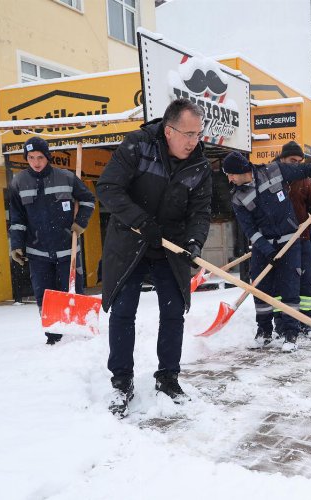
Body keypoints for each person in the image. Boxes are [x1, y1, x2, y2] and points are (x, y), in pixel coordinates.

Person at [96, 98, 212, 416]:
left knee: (173, 313)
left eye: (198, 134)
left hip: (170, 244)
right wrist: (139, 220)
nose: (193, 141)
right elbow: (107, 188)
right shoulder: (138, 145)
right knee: (123, 311)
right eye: (187, 134)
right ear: (168, 129)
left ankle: (168, 378)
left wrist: (194, 241)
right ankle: (121, 382)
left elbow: (200, 212)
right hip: (129, 240)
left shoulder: (199, 165)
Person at [222, 151, 311, 352]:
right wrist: (267, 250)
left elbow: (306, 169)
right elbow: (249, 229)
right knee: (261, 288)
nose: (229, 178)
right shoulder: (237, 197)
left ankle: (290, 333)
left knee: (290, 286)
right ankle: (264, 330)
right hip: (263, 246)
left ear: (241, 170)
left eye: (230, 174)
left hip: (290, 239)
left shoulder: (273, 171)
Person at [8, 136, 96, 345]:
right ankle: (54, 337)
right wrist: (17, 245)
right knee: (45, 295)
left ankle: (80, 333)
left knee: (73, 291)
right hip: (38, 251)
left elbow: (88, 200)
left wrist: (80, 223)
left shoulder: (66, 178)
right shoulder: (18, 182)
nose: (36, 162)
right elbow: (17, 217)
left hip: (68, 248)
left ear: (47, 157)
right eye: (31, 158)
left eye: (40, 157)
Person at [277, 141, 311, 335]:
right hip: (280, 239)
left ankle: (305, 319)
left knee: (306, 279)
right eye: (292, 160)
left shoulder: (304, 179)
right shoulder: (272, 177)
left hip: (302, 237)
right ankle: (281, 321)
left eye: (299, 161)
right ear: (282, 159)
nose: (296, 164)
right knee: (283, 281)